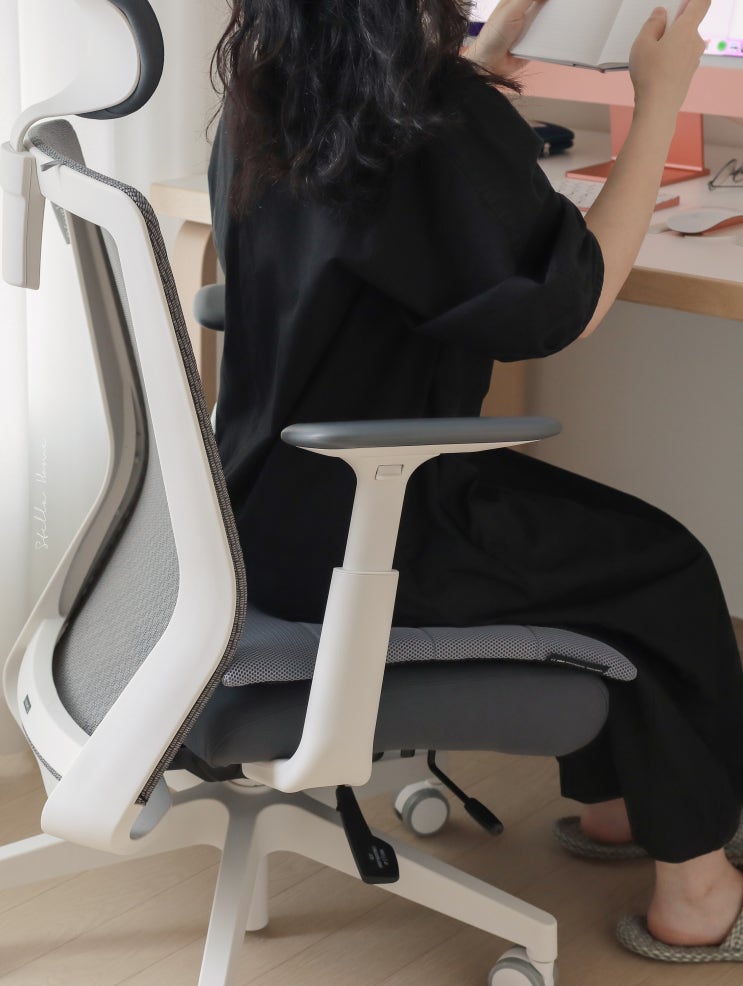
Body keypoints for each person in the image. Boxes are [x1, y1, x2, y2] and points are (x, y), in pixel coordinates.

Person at [208, 0, 743, 960]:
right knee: (661, 571)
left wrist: (489, 55)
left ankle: (620, 812)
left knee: (599, 550)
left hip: (261, 511)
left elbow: (407, 207)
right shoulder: (432, 122)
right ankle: (699, 894)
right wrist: (658, 100)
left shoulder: (276, 90)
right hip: (378, 533)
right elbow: (568, 304)